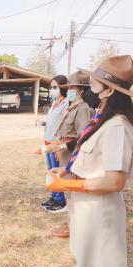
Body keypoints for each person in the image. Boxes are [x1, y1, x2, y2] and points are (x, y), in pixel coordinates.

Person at [47, 55, 133, 267]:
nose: (88, 90)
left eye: (93, 85)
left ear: (108, 91)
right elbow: (90, 158)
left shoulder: (117, 126)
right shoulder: (100, 121)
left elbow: (115, 181)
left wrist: (68, 184)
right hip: (86, 208)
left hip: (100, 211)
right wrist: (66, 171)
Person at [43, 71, 91, 214]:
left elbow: (84, 136)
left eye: (71, 88)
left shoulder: (83, 108)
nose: (68, 91)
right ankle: (69, 221)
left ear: (80, 90)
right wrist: (58, 145)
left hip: (71, 155)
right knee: (66, 188)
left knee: (71, 190)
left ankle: (71, 221)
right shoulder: (72, 107)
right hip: (63, 153)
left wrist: (62, 145)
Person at [40, 75, 69, 211]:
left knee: (58, 171)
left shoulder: (67, 103)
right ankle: (54, 196)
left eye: (55, 87)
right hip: (48, 142)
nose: (52, 89)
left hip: (56, 144)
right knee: (51, 171)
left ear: (63, 87)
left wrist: (59, 145)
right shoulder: (54, 102)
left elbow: (65, 125)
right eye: (51, 87)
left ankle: (60, 200)